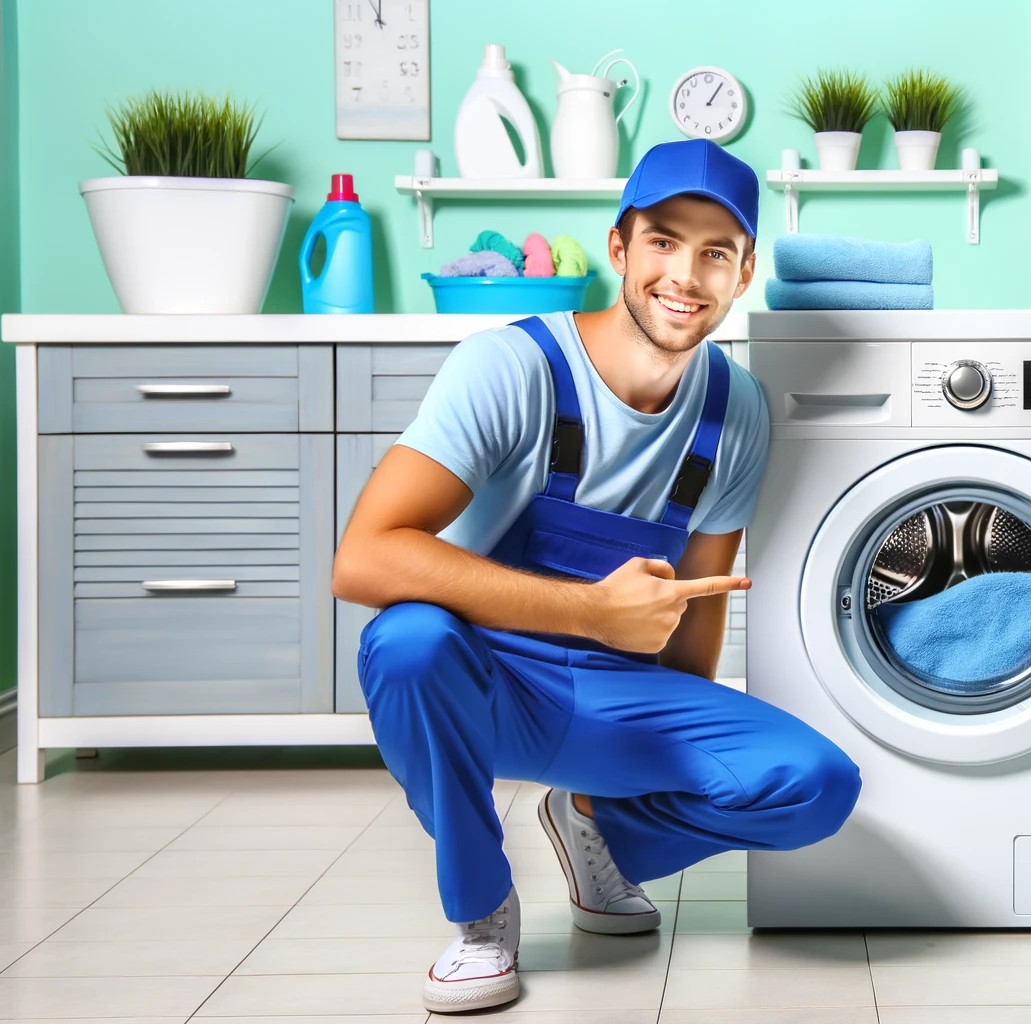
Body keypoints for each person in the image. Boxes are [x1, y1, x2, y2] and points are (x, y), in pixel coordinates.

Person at [332, 139, 862, 1014]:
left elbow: (696, 613)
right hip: (486, 678)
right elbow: (366, 555)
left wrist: (630, 767)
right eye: (662, 242)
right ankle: (482, 910)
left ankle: (593, 829)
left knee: (817, 782)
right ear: (619, 249)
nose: (684, 276)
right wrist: (590, 612)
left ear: (744, 274)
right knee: (407, 641)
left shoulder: (738, 413)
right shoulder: (513, 369)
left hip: (616, 699)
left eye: (715, 253)